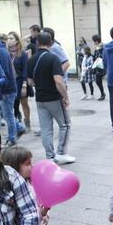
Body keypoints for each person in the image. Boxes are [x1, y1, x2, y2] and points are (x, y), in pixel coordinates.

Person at [27, 32, 75, 164]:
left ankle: (50, 156)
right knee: (65, 124)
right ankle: (61, 153)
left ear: (37, 43)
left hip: (40, 99)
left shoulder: (31, 59)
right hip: (54, 97)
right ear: (51, 43)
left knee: (46, 129)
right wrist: (65, 97)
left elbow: (30, 82)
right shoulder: (53, 58)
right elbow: (58, 81)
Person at [8, 32, 32, 131]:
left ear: (17, 40)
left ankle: (27, 124)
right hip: (11, 83)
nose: (9, 40)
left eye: (11, 38)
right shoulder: (6, 53)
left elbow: (25, 70)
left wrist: (24, 85)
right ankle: (17, 122)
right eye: (8, 38)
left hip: (21, 81)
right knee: (13, 104)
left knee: (24, 103)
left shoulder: (22, 54)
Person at [91, 34, 106, 100]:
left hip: (101, 66)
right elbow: (95, 56)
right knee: (98, 81)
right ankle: (102, 93)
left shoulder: (102, 47)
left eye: (94, 41)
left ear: (96, 41)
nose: (94, 42)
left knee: (98, 80)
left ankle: (103, 94)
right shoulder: (97, 47)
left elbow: (103, 56)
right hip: (97, 66)